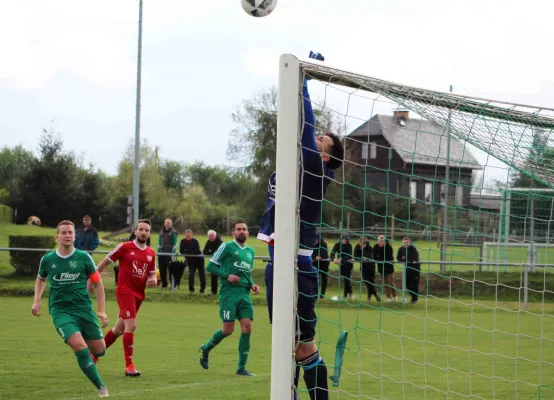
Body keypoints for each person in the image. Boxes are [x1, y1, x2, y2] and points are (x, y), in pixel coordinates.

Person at [258, 51, 344, 400]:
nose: (318, 137)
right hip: (276, 263)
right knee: (285, 346)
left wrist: (302, 81)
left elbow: (305, 126)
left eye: (324, 140)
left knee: (303, 348)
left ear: (326, 154)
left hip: (298, 266)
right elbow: (296, 128)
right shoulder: (295, 161)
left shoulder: (317, 170)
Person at [32, 220, 109, 398]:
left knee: (99, 350)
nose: (67, 235)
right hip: (61, 311)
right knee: (80, 347)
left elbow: (98, 284)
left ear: (75, 236)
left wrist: (102, 310)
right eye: (64, 232)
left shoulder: (84, 258)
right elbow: (41, 279)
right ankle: (101, 388)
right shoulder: (48, 259)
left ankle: (88, 356)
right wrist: (37, 300)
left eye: (70, 233)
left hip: (83, 309)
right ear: (57, 236)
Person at [88, 219, 157, 376]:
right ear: (135, 231)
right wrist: (92, 279)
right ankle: (129, 366)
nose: (143, 232)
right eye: (141, 229)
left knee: (119, 329)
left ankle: (93, 355)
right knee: (131, 326)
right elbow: (105, 262)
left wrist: (153, 280)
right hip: (125, 292)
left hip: (139, 294)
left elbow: (152, 274)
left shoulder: (151, 253)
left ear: (149, 233)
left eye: (147, 230)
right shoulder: (125, 247)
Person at [199, 220, 259, 376]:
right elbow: (210, 266)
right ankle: (205, 348)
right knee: (228, 329)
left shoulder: (250, 251)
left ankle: (241, 368)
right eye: (238, 229)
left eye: (244, 229)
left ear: (247, 233)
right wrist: (227, 276)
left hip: (245, 294)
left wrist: (252, 284)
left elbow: (248, 272)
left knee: (247, 327)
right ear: (233, 232)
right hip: (229, 293)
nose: (241, 231)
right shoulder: (226, 247)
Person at [354, 237, 380, 302]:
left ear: (366, 242)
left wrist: (365, 257)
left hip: (371, 267)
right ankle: (376, 295)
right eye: (361, 243)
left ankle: (369, 297)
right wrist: (362, 258)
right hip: (363, 267)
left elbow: (371, 256)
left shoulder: (370, 248)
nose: (362, 244)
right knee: (367, 282)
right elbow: (355, 256)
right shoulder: (357, 247)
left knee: (371, 282)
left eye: (364, 243)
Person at [180, 230, 206, 294]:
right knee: (191, 275)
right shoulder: (182, 241)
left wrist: (187, 251)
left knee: (201, 275)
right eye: (186, 235)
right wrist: (189, 252)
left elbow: (196, 250)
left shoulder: (195, 241)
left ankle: (202, 290)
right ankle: (191, 290)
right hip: (191, 261)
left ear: (192, 235)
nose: (187, 236)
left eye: (189, 235)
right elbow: (181, 251)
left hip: (199, 260)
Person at [373, 235, 397, 302]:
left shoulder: (388, 247)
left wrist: (379, 257)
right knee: (385, 283)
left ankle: (395, 296)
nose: (381, 242)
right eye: (380, 241)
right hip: (381, 268)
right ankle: (388, 297)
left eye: (382, 241)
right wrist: (378, 258)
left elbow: (389, 257)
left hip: (389, 268)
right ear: (378, 241)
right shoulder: (375, 247)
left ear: (385, 241)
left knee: (390, 283)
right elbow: (374, 256)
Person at [397, 237, 421, 304]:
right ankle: (415, 298)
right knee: (407, 285)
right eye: (404, 243)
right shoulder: (401, 249)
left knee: (415, 284)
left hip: (415, 269)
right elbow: (398, 258)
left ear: (410, 242)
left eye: (407, 242)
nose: (405, 244)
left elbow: (413, 258)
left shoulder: (413, 248)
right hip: (407, 269)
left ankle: (414, 299)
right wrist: (403, 260)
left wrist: (405, 260)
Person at [331, 234, 354, 300]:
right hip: (341, 265)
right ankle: (350, 294)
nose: (344, 240)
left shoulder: (349, 245)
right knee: (346, 280)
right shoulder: (337, 245)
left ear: (347, 240)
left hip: (348, 264)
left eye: (345, 239)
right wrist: (334, 259)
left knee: (346, 279)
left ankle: (346, 295)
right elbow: (332, 254)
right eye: (343, 239)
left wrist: (341, 259)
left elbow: (349, 255)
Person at [158, 218, 178, 289]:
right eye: (166, 222)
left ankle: (173, 285)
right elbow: (159, 242)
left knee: (171, 270)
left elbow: (175, 244)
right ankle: (164, 285)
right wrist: (158, 252)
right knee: (162, 270)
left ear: (171, 224)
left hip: (170, 254)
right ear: (164, 223)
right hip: (161, 254)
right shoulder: (161, 231)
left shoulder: (173, 232)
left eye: (169, 222)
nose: (167, 224)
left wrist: (173, 253)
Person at [203, 230, 223, 295]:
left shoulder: (220, 242)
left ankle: (224, 292)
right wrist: (212, 252)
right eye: (209, 236)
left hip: (222, 262)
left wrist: (211, 251)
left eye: (212, 236)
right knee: (213, 277)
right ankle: (213, 292)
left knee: (224, 277)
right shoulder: (208, 242)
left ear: (215, 235)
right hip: (214, 262)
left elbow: (219, 252)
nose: (210, 237)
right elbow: (205, 252)